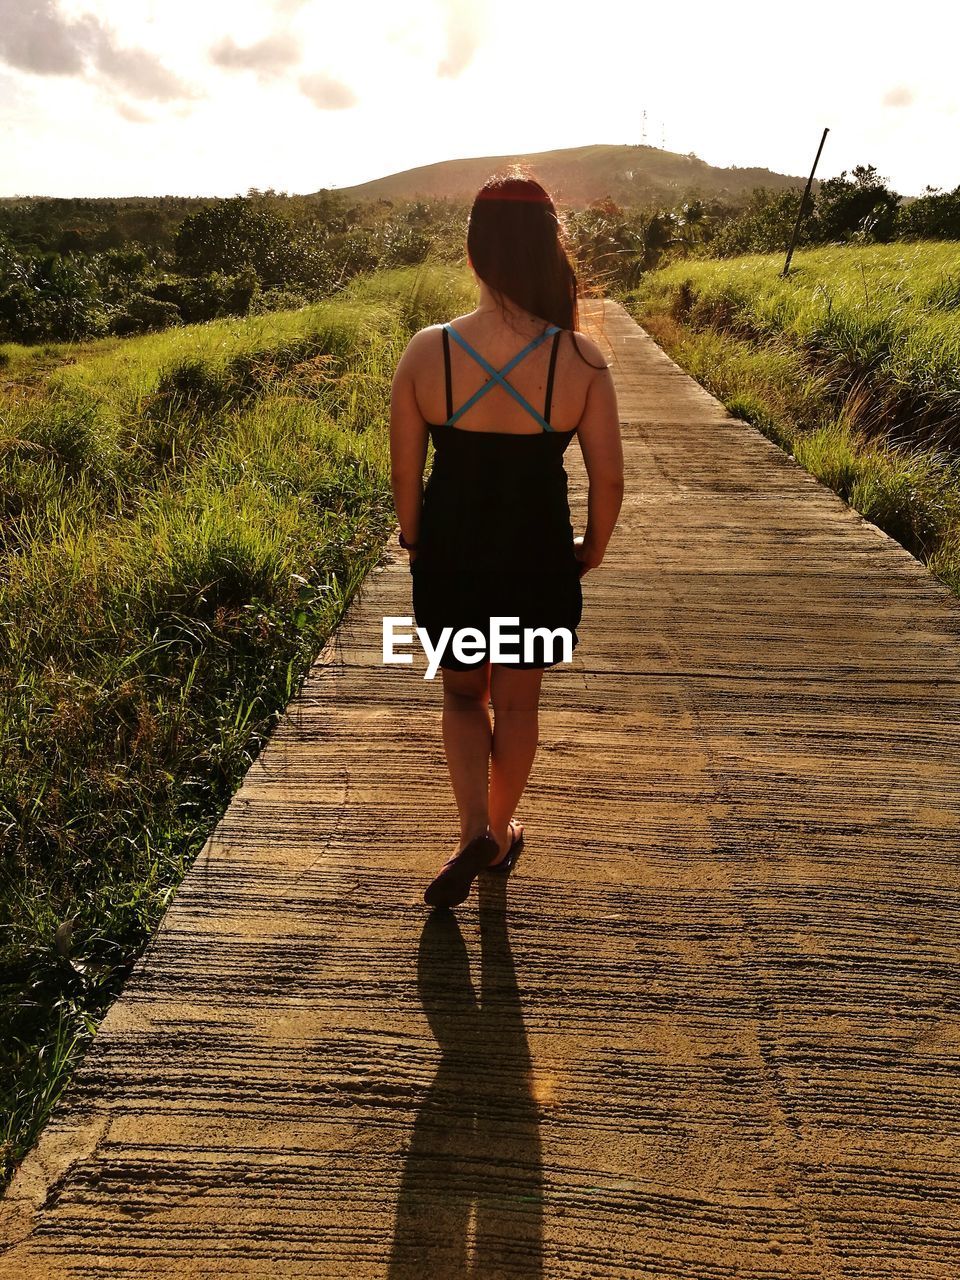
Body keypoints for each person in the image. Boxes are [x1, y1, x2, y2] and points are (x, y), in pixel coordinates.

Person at [389, 172, 623, 909]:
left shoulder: (428, 352)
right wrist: (592, 547)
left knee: (463, 696)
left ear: (474, 253)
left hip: (454, 554)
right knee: (519, 706)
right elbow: (610, 482)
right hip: (538, 558)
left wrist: (417, 543)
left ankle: (470, 831)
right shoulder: (580, 361)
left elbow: (404, 475)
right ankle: (498, 828)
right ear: (549, 249)